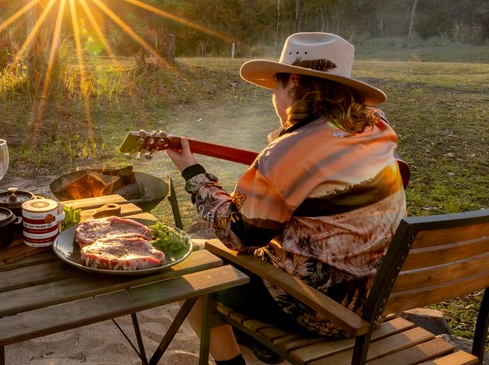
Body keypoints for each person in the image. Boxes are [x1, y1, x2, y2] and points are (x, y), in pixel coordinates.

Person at [165, 32, 407, 365]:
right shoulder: (377, 126)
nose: (274, 98)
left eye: (275, 88)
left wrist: (194, 176)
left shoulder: (287, 152)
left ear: (292, 83)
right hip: (375, 301)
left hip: (323, 311)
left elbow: (240, 235)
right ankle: (261, 342)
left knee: (189, 275)